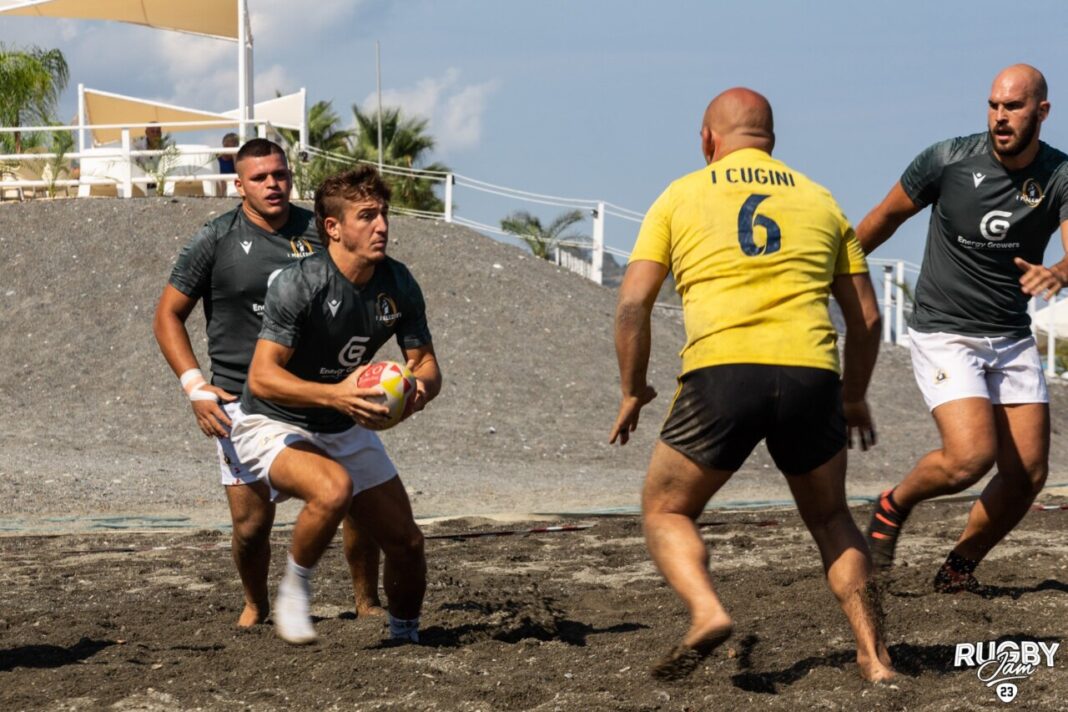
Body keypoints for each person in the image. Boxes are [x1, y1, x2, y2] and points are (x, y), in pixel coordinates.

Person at [611, 88, 892, 682]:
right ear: (771, 142)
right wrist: (853, 395)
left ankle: (707, 610)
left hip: (724, 374)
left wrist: (634, 389)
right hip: (812, 374)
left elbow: (633, 304)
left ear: (708, 139)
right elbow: (867, 318)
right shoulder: (821, 200)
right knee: (833, 520)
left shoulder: (681, 194)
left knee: (666, 509)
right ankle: (875, 658)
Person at [153, 138, 384, 628]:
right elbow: (168, 316)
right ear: (239, 185)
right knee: (252, 526)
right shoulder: (214, 238)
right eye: (260, 178)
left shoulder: (321, 232)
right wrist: (195, 387)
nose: (273, 184)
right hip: (242, 402)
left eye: (279, 175)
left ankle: (367, 602)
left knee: (356, 501)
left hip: (319, 394)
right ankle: (256, 604)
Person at [857, 64, 1068, 593]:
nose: (1001, 117)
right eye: (994, 105)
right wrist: (832, 271)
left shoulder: (1060, 175)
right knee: (969, 458)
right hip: (945, 330)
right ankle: (892, 505)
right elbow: (884, 217)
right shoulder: (946, 160)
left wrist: (1058, 273)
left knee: (1027, 476)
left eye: (1014, 107)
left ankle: (958, 567)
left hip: (1011, 335)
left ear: (1041, 112)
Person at [229, 166, 441, 645]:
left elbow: (426, 364)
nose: (381, 225)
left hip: (340, 421)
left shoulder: (398, 282)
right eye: (366, 216)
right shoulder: (299, 283)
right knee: (327, 492)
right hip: (270, 419)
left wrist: (411, 396)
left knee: (407, 543)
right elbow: (262, 376)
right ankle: (291, 594)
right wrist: (338, 393)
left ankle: (406, 638)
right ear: (333, 227)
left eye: (384, 214)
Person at [217, 132, 239, 197]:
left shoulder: (237, 158)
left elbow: (238, 172)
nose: (226, 144)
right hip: (220, 183)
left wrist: (234, 155)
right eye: (225, 143)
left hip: (232, 184)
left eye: (229, 142)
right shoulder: (218, 158)